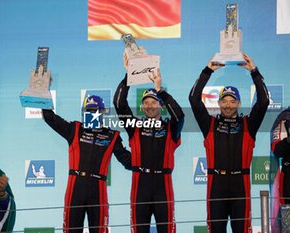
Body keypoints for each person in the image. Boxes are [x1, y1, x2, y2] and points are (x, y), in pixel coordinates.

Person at [189, 53, 269, 233]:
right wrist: (207, 71)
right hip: (216, 184)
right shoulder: (209, 124)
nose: (228, 105)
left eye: (232, 101)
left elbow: (263, 102)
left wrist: (254, 72)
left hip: (240, 185)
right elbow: (194, 100)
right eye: (224, 101)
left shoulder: (249, 124)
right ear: (218, 103)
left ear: (239, 103)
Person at [113, 54, 184, 233]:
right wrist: (129, 75)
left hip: (163, 184)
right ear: (142, 107)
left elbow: (179, 115)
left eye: (154, 102)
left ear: (160, 105)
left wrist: (160, 91)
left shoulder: (171, 128)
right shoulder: (135, 126)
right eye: (146, 103)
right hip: (140, 185)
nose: (150, 105)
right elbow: (119, 103)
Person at [42, 95, 132, 233]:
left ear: (103, 112)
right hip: (76, 187)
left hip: (98, 188)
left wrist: (149, 162)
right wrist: (43, 91)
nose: (92, 113)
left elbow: (127, 160)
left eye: (95, 110)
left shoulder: (112, 135)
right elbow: (49, 117)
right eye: (88, 110)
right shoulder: (75, 129)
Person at [270, 108, 290, 233]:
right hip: (289, 176)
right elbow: (276, 149)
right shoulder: (284, 118)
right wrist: (288, 140)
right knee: (287, 225)